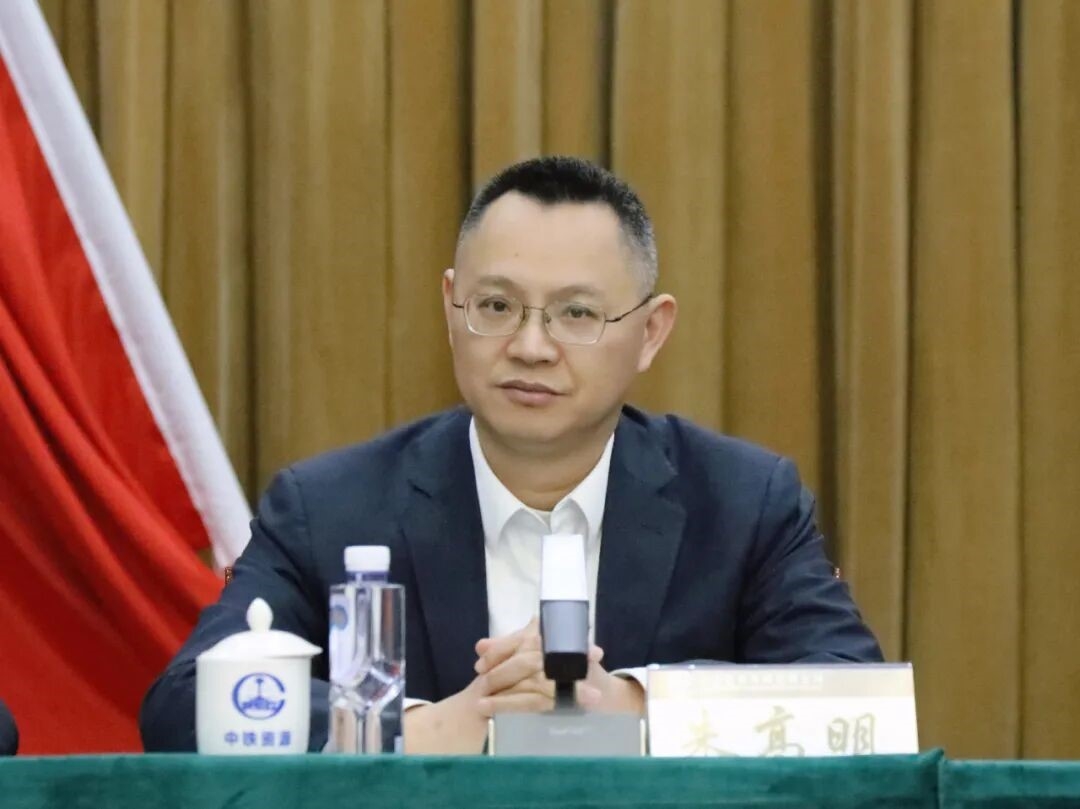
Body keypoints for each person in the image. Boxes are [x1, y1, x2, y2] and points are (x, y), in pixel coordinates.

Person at [141, 156, 881, 754]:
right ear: (451, 307)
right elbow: (182, 707)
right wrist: (425, 729)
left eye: (577, 313)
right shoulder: (329, 508)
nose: (530, 347)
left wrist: (634, 708)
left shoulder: (744, 503)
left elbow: (858, 703)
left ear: (651, 333)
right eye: (496, 306)